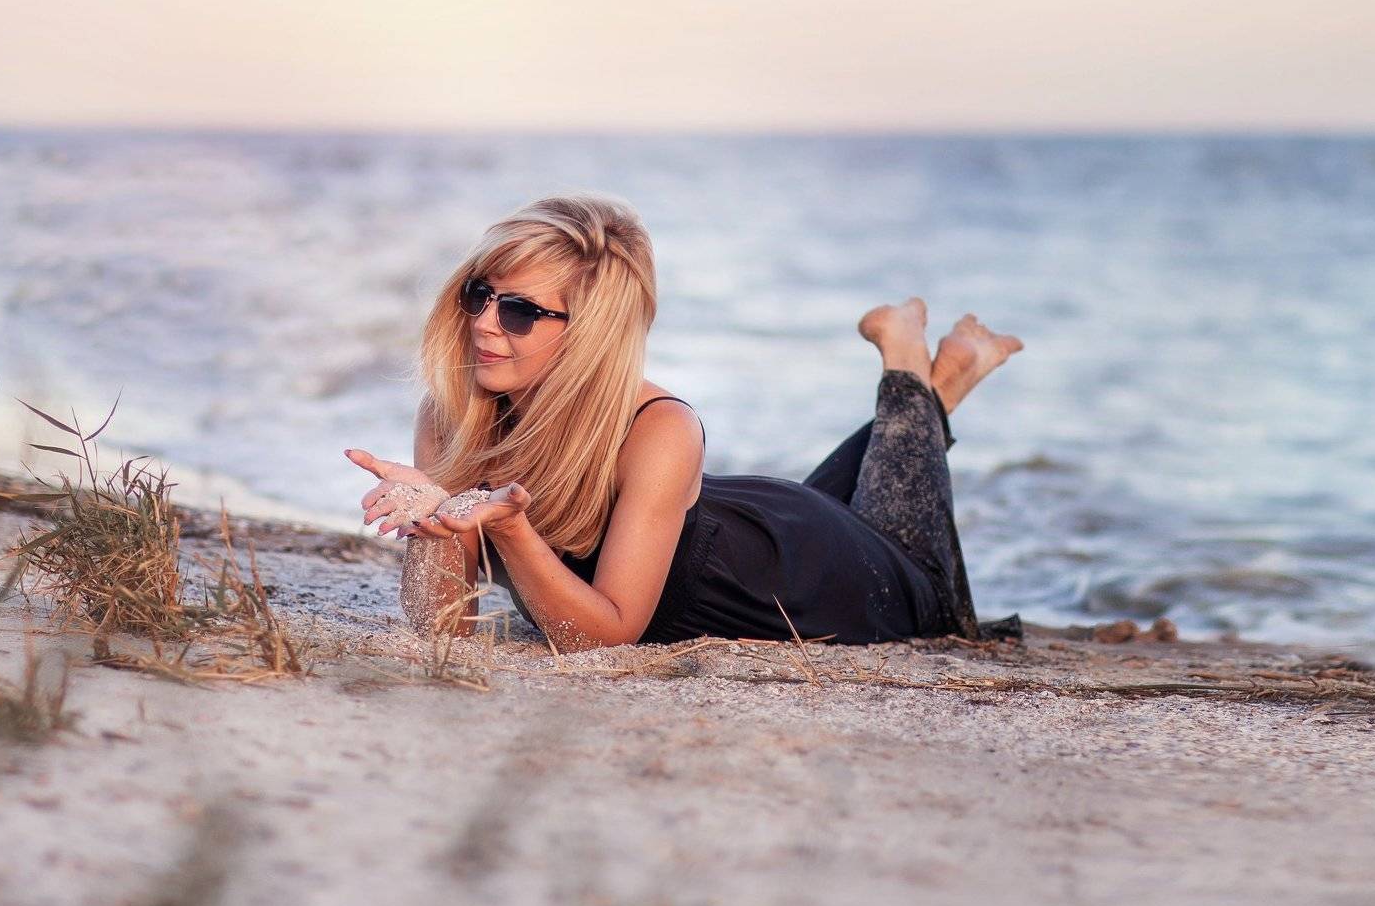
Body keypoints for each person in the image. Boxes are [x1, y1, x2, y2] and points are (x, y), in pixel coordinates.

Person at [345, 193, 1024, 652]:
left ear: (589, 333)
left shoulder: (660, 428)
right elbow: (443, 630)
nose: (484, 323)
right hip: (745, 518)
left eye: (519, 311)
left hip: (806, 576)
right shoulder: (453, 413)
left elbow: (604, 636)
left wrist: (510, 530)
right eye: (479, 294)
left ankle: (907, 360)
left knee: (930, 591)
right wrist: (434, 523)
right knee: (871, 513)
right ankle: (940, 383)